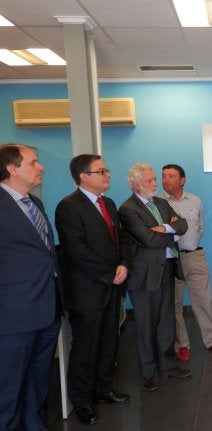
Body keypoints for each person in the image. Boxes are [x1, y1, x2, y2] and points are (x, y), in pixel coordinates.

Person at [55, 154, 130, 426]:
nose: (108, 175)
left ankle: (103, 389)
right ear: (84, 176)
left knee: (109, 341)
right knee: (86, 347)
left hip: (112, 287)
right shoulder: (68, 207)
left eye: (106, 170)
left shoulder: (107, 203)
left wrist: (123, 264)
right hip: (87, 291)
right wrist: (109, 273)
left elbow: (120, 240)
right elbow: (77, 251)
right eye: (102, 171)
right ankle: (82, 400)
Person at [0, 143, 62, 430]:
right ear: (12, 168)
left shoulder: (34, 202)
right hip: (13, 314)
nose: (41, 167)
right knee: (8, 387)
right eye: (33, 162)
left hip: (47, 307)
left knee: (37, 379)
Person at [118, 162, 191, 392]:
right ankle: (148, 372)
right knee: (146, 325)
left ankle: (167, 365)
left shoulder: (161, 202)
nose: (155, 184)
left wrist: (166, 229)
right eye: (149, 181)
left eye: (154, 179)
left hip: (167, 268)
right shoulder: (128, 209)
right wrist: (172, 233)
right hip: (144, 275)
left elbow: (183, 224)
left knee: (166, 321)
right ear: (135, 185)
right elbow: (147, 239)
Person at [161, 164, 212, 361]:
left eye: (171, 176)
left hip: (196, 256)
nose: (166, 180)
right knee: (174, 303)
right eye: (163, 176)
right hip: (172, 259)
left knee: (204, 300)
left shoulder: (195, 200)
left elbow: (201, 227)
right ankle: (182, 345)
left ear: (182, 180)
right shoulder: (158, 203)